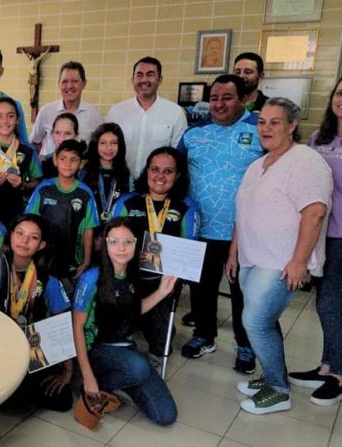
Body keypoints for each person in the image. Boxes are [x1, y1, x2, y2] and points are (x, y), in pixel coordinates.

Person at [229, 97, 332, 414]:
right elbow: (242, 212)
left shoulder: (305, 160)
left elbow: (314, 212)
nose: (266, 128)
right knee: (264, 320)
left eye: (275, 122)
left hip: (281, 262)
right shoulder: (259, 164)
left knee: (255, 321)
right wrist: (233, 252)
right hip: (253, 258)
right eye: (262, 122)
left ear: (292, 125)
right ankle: (271, 375)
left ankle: (278, 389)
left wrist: (300, 261)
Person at [177, 74, 264, 374]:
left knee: (243, 292)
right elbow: (175, 173)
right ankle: (204, 336)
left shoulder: (259, 130)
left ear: (243, 99)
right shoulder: (193, 134)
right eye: (214, 97)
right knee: (202, 288)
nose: (219, 103)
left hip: (244, 232)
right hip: (200, 228)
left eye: (227, 97)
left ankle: (245, 345)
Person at [72, 217, 178, 426]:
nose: (121, 248)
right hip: (97, 349)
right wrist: (88, 376)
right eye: (114, 242)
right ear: (105, 243)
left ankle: (122, 377)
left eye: (128, 242)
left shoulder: (133, 273)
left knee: (166, 416)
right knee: (139, 368)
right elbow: (76, 328)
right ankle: (93, 382)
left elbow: (133, 311)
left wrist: (161, 292)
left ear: (136, 244)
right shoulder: (92, 277)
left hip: (126, 349)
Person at [111, 147, 198, 358]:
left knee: (162, 347)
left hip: (163, 281)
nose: (160, 176)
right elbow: (110, 240)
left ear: (178, 175)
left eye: (168, 171)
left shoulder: (187, 207)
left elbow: (189, 251)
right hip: (127, 276)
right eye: (155, 169)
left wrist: (173, 281)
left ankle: (151, 328)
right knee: (117, 331)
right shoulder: (128, 201)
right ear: (146, 171)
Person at [288, 77, 342, 406]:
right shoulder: (318, 139)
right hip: (323, 235)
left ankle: (338, 372)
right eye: (339, 93)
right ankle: (326, 364)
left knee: (331, 304)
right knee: (326, 302)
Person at [4, 213, 73, 411]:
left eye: (33, 237)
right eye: (19, 233)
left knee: (62, 401)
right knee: (13, 404)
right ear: (11, 236)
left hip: (32, 345)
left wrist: (68, 371)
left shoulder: (47, 279)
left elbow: (62, 322)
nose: (24, 241)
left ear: (41, 245)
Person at [26, 139, 99, 283]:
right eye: (63, 158)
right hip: (42, 258)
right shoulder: (43, 189)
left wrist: (86, 262)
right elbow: (30, 221)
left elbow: (88, 230)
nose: (67, 164)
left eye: (74, 160)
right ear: (55, 160)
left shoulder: (85, 193)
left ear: (81, 164)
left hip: (72, 260)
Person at [106, 57, 187, 180]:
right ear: (132, 80)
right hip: (119, 183)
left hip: (157, 186)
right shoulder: (116, 112)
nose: (144, 80)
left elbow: (179, 155)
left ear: (159, 79)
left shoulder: (175, 113)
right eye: (139, 75)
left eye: (150, 75)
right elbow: (105, 149)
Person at [0, 96, 42, 227]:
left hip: (18, 212)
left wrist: (23, 185)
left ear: (17, 119)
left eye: (10, 116)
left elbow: (38, 182)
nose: (5, 121)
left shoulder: (28, 150)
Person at [30, 61, 103, 167]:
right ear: (59, 84)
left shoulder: (94, 114)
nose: (69, 86)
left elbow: (99, 147)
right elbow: (35, 142)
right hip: (48, 173)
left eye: (75, 81)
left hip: (80, 175)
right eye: (64, 81)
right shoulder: (46, 111)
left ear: (84, 84)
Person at [81, 123, 130, 225]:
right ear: (96, 144)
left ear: (120, 145)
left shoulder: (126, 174)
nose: (108, 148)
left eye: (113, 143)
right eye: (103, 143)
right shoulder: (84, 172)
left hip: (116, 230)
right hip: (88, 229)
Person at [40, 112, 79, 178]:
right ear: (52, 134)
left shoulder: (84, 165)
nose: (62, 138)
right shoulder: (42, 162)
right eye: (57, 133)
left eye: (67, 133)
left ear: (76, 135)